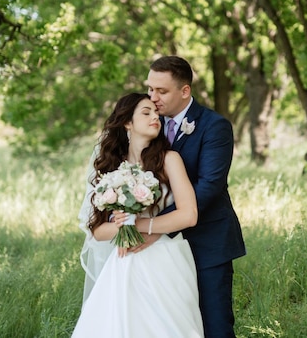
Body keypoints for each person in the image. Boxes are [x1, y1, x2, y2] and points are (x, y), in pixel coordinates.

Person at [72, 93, 204, 338]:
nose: (155, 117)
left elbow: (189, 215)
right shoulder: (110, 168)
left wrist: (139, 223)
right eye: (146, 112)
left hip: (166, 258)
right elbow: (98, 231)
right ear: (127, 123)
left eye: (156, 113)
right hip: (123, 263)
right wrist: (123, 227)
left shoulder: (170, 159)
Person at [143, 55, 246, 338]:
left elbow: (209, 186)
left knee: (214, 325)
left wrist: (156, 226)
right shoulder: (148, 124)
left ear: (185, 91)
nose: (153, 97)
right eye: (150, 89)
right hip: (160, 250)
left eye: (161, 91)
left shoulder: (215, 126)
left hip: (207, 242)